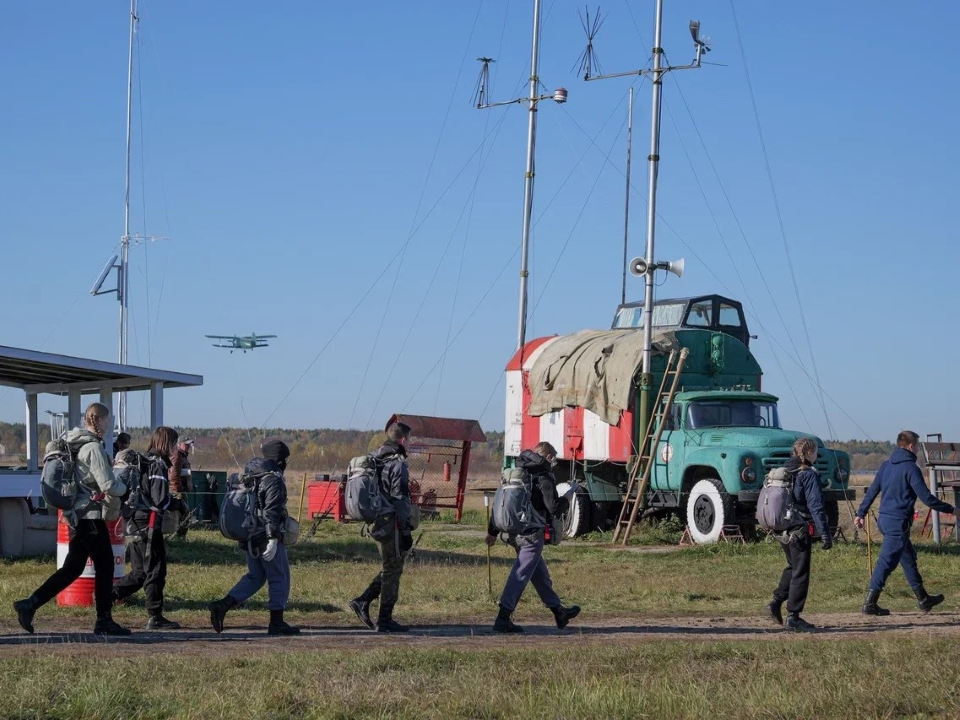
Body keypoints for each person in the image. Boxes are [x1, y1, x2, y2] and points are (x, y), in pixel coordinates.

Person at [13, 403, 130, 636]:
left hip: (76, 515)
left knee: (73, 568)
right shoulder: (93, 448)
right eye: (108, 420)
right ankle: (104, 620)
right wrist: (124, 488)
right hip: (90, 516)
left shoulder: (73, 441)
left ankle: (30, 604)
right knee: (105, 565)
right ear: (102, 420)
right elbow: (107, 484)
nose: (109, 424)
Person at [855, 430, 960, 616]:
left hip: (886, 520)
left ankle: (923, 599)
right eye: (918, 446)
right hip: (898, 524)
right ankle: (870, 603)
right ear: (911, 446)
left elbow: (872, 491)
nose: (918, 450)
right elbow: (927, 498)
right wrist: (952, 510)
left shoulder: (886, 466)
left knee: (908, 557)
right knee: (885, 563)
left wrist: (861, 512)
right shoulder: (911, 468)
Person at [485, 441, 580, 634]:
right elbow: (553, 508)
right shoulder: (543, 475)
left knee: (539, 574)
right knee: (520, 575)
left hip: (513, 532)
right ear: (549, 457)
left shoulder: (518, 471)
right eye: (553, 458)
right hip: (531, 534)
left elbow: (502, 501)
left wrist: (492, 531)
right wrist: (568, 498)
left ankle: (559, 612)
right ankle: (503, 618)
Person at [208, 438, 299, 635]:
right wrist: (273, 538)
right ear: (280, 459)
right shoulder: (273, 478)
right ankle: (277, 622)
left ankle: (222, 606)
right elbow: (272, 510)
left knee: (256, 576)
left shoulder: (251, 473)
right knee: (279, 577)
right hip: (265, 535)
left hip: (249, 533)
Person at [112, 427, 186, 630]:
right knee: (155, 570)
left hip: (134, 522)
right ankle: (155, 616)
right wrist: (177, 504)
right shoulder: (158, 465)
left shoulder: (142, 461)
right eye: (174, 443)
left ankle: (107, 596)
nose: (175, 448)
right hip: (149, 524)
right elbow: (160, 500)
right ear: (167, 443)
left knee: (139, 572)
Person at [349, 421, 416, 633]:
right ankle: (384, 618)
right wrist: (406, 529)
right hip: (391, 522)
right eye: (410, 440)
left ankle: (363, 600)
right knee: (393, 569)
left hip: (376, 520)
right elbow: (400, 498)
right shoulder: (398, 464)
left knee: (391, 565)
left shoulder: (375, 458)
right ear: (403, 440)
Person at [765, 437, 832, 633]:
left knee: (793, 566)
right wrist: (825, 533)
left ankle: (776, 602)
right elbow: (816, 506)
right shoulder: (808, 474)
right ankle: (793, 617)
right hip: (799, 529)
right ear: (809, 453)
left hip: (781, 528)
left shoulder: (786, 470)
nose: (817, 455)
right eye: (816, 452)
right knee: (801, 571)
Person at [169, 437, 193, 539]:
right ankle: (179, 536)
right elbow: (174, 474)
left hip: (181, 489)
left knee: (183, 514)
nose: (188, 446)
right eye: (186, 444)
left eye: (189, 444)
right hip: (177, 490)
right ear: (179, 444)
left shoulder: (182, 455)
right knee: (184, 514)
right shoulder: (177, 455)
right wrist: (177, 490)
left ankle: (179, 536)